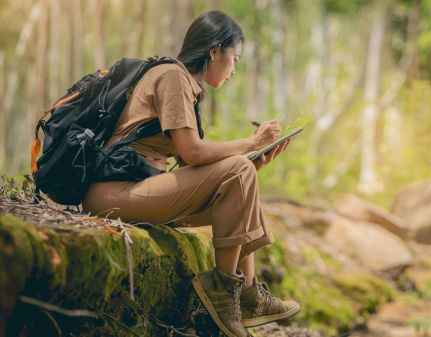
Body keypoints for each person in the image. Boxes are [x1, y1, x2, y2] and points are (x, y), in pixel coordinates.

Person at [82, 10, 300, 337]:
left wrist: (254, 162)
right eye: (235, 58)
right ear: (215, 51)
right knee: (240, 168)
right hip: (115, 193)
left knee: (244, 176)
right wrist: (251, 142)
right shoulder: (172, 75)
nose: (235, 69)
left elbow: (193, 171)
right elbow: (193, 152)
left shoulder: (188, 87)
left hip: (145, 190)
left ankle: (250, 293)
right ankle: (222, 288)